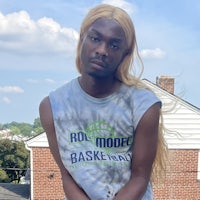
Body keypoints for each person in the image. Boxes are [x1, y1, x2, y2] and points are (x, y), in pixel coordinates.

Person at [39, 4, 168, 200]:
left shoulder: (143, 105)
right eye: (95, 38)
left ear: (125, 53)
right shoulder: (52, 107)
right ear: (82, 39)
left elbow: (140, 177)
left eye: (114, 45)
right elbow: (67, 176)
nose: (102, 50)